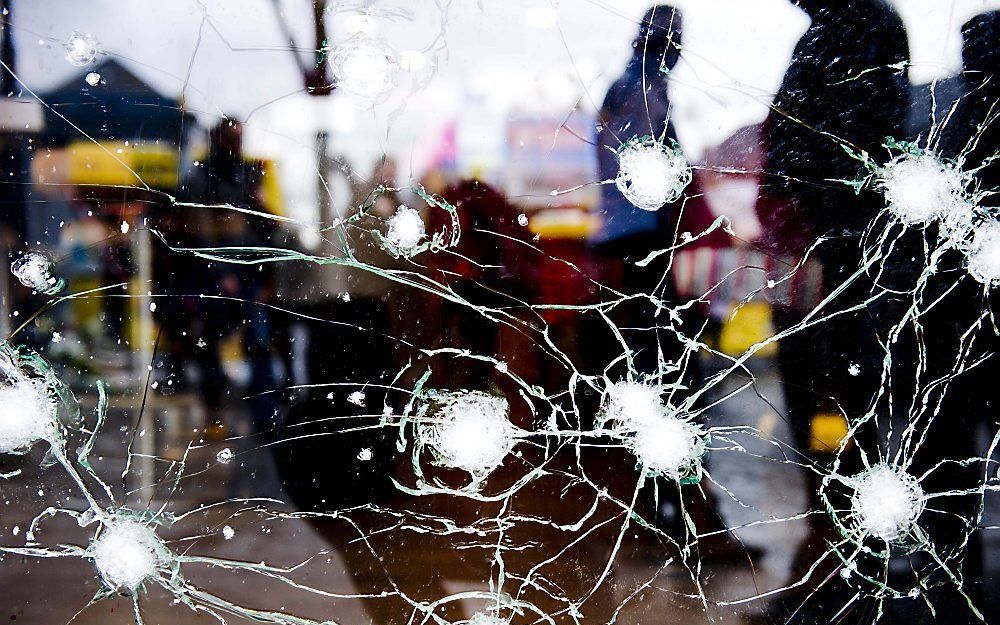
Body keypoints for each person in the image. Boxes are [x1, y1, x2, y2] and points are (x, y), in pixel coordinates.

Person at [760, 0, 912, 619]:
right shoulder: (849, 29)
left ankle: (840, 560)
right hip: (825, 252)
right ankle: (836, 552)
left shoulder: (860, 27)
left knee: (830, 404)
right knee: (828, 405)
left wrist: (802, 214)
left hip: (833, 256)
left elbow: (832, 141)